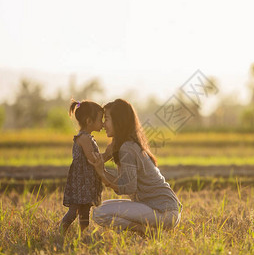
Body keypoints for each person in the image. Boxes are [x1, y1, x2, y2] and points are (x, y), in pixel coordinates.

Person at [89, 99, 182, 233]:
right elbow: (100, 163)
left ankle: (146, 231)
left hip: (163, 211)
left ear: (118, 121)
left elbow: (128, 187)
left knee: (99, 213)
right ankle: (147, 230)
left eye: (107, 119)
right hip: (163, 210)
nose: (103, 124)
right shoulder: (125, 144)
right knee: (98, 208)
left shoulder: (127, 148)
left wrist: (102, 174)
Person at [59, 99, 109, 236]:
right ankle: (60, 232)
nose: (103, 123)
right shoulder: (84, 138)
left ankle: (84, 235)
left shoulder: (87, 137)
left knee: (85, 210)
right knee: (74, 210)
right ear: (89, 121)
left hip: (85, 182)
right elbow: (93, 159)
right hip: (81, 182)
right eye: (100, 119)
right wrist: (108, 155)